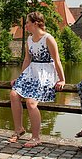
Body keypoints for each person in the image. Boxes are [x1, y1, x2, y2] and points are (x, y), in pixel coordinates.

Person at [9, 12, 66, 148]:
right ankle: (19, 130)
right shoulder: (29, 39)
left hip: (45, 73)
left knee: (31, 102)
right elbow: (27, 59)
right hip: (31, 72)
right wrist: (21, 77)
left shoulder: (48, 38)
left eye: (27, 23)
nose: (26, 26)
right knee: (13, 94)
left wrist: (62, 79)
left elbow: (57, 60)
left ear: (35, 23)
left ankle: (36, 137)